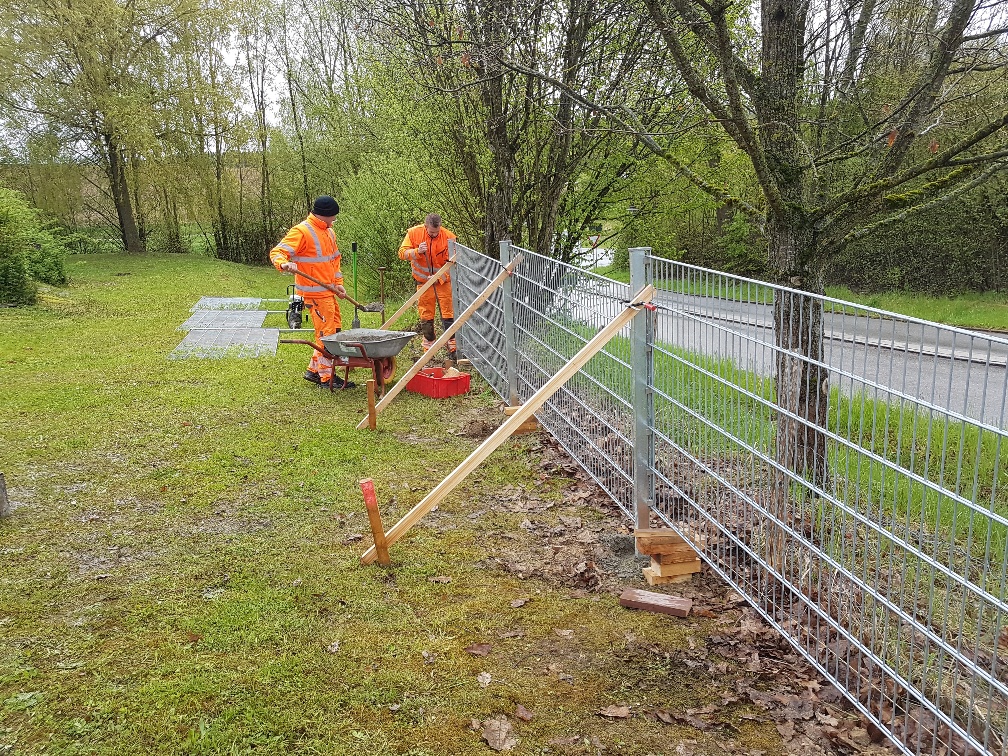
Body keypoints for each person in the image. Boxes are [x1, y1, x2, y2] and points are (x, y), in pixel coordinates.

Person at [270, 196, 354, 388]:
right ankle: (327, 377)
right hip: (314, 294)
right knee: (326, 334)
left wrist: (338, 283)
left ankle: (313, 371)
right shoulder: (302, 231)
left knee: (335, 328)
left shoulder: (329, 232)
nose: (334, 221)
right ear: (323, 215)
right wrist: (283, 263)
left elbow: (334, 261)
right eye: (333, 217)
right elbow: (277, 252)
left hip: (329, 291)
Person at [398, 213, 458, 365]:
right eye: (431, 232)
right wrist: (417, 251)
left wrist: (438, 277)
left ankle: (453, 347)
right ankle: (429, 347)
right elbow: (402, 253)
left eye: (436, 233)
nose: (434, 235)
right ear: (425, 227)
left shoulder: (449, 237)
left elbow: (454, 262)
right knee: (426, 314)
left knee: (448, 312)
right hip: (423, 282)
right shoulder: (413, 233)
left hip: (443, 282)